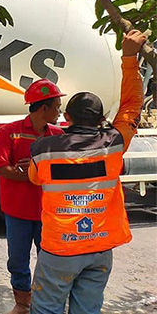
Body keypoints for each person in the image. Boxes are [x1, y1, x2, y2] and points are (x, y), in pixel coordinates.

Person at [28, 30, 147, 314]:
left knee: (46, 308)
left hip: (60, 249)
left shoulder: (44, 149)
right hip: (99, 248)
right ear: (101, 118)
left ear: (66, 117)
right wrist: (129, 58)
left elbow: (34, 179)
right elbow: (132, 107)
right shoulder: (114, 142)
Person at [0, 78, 66, 314]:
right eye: (56, 106)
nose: (59, 111)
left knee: (50, 262)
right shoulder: (9, 132)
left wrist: (36, 171)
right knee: (18, 261)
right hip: (18, 212)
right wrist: (33, 175)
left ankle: (46, 304)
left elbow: (62, 171)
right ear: (44, 107)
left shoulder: (57, 134)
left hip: (48, 212)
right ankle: (22, 304)